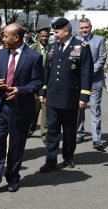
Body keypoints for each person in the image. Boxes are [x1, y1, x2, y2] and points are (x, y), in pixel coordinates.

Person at [0, 23, 43, 196]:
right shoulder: (1, 54)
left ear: (16, 37)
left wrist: (20, 90)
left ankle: (13, 178)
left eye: (6, 36)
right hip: (0, 106)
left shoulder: (33, 57)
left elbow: (37, 82)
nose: (3, 38)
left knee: (16, 145)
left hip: (20, 108)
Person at [39, 18, 93, 173]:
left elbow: (86, 74)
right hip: (53, 97)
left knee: (69, 131)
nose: (54, 35)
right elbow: (46, 72)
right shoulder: (52, 47)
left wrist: (84, 97)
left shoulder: (81, 47)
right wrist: (43, 90)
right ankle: (50, 160)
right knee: (52, 130)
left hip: (71, 97)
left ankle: (68, 156)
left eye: (56, 32)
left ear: (66, 31)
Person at [76, 18, 106, 151]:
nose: (84, 30)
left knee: (95, 110)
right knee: (79, 109)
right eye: (82, 28)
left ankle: (97, 138)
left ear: (91, 27)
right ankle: (79, 133)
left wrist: (87, 73)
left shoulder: (99, 40)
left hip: (94, 81)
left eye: (86, 27)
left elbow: (101, 59)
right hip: (79, 83)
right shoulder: (75, 41)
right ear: (79, 28)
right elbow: (74, 60)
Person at [28, 26, 50, 142]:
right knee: (33, 110)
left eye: (46, 36)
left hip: (47, 85)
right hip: (35, 84)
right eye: (42, 36)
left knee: (45, 112)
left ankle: (45, 134)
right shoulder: (32, 48)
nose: (45, 38)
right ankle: (29, 130)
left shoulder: (52, 48)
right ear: (38, 37)